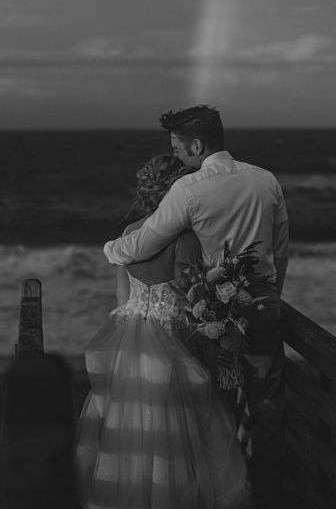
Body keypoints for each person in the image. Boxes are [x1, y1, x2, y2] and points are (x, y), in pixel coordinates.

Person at [104, 105, 289, 509]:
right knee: (267, 408)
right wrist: (269, 299)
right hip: (262, 307)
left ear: (198, 144)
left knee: (217, 413)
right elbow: (280, 252)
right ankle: (267, 496)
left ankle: (223, 491)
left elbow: (141, 243)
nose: (181, 157)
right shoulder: (266, 180)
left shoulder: (187, 190)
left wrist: (111, 249)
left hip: (213, 316)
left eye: (180, 148)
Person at [76, 154, 252, 509]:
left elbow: (121, 297)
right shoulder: (184, 240)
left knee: (127, 432)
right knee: (178, 437)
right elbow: (188, 303)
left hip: (128, 341)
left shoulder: (128, 234)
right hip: (171, 342)